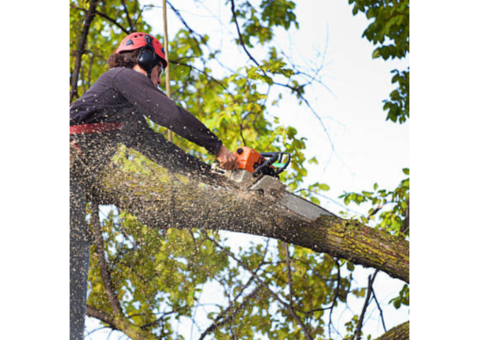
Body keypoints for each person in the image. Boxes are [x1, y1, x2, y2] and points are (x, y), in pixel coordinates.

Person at [69, 32, 238, 340]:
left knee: (76, 247)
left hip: (74, 184)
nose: (158, 80)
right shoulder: (120, 76)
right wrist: (217, 147)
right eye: (159, 70)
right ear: (145, 60)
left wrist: (215, 178)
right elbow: (169, 113)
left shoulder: (125, 114)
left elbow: (165, 153)